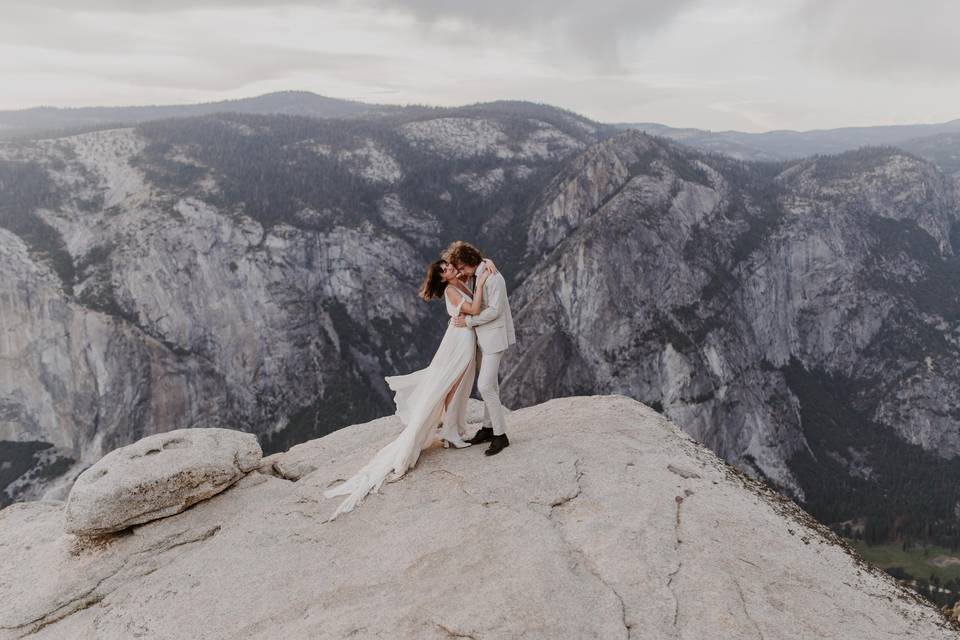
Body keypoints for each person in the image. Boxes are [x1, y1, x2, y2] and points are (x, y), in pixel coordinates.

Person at [323, 257, 496, 519]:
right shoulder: (451, 289)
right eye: (446, 269)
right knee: (452, 385)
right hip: (459, 341)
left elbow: (472, 271)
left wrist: (485, 264)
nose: (450, 268)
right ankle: (450, 433)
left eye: (449, 265)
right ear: (442, 278)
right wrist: (483, 281)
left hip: (464, 338)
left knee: (460, 385)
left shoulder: (458, 282)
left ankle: (453, 430)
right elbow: (472, 309)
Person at [445, 241, 516, 456]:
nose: (459, 272)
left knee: (485, 386)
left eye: (461, 268)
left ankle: (501, 436)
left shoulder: (493, 278)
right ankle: (487, 427)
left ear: (468, 263)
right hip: (483, 339)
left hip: (494, 338)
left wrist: (468, 323)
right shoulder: (480, 272)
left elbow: (495, 311)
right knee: (491, 385)